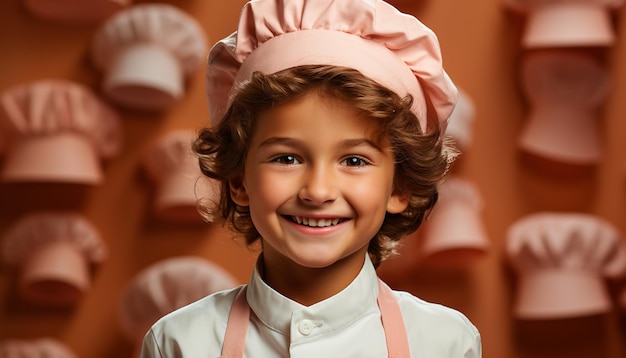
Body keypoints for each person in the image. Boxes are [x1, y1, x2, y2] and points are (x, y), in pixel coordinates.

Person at [140, 0, 482, 357]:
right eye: (287, 158)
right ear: (238, 180)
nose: (318, 191)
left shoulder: (445, 342)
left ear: (400, 187)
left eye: (354, 160)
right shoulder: (179, 341)